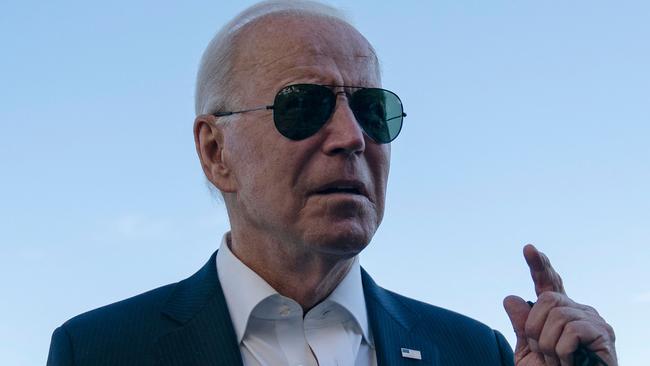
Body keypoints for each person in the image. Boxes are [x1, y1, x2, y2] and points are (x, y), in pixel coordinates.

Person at [47, 1, 618, 365]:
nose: (351, 136)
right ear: (215, 151)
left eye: (373, 109)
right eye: (305, 106)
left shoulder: (476, 352)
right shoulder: (99, 350)